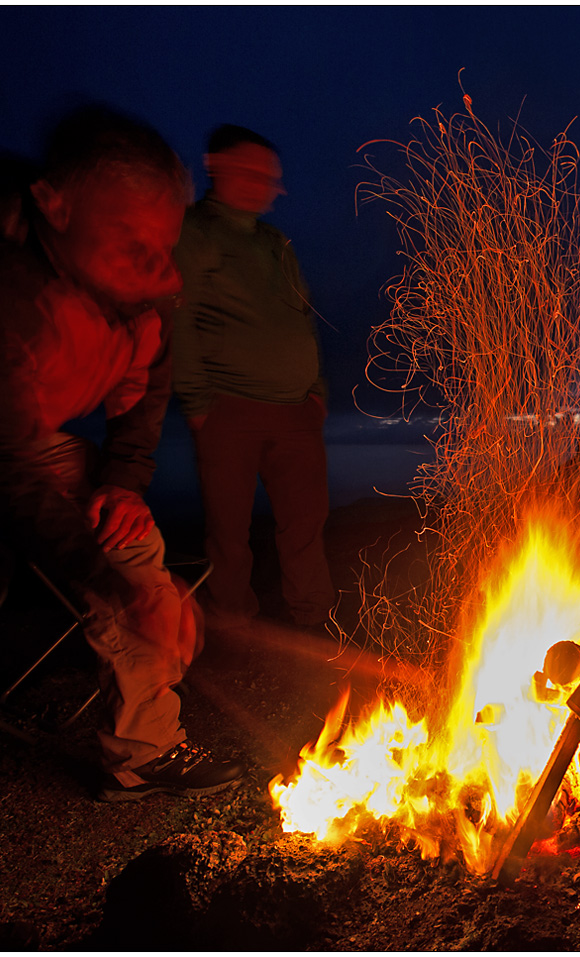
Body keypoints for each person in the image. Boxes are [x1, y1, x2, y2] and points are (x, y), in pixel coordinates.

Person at [0, 105, 246, 801]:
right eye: (129, 237)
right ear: (55, 206)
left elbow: (146, 390)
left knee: (133, 543)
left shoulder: (141, 287)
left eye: (163, 242)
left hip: (22, 445)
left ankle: (142, 750)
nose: (155, 263)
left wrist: (125, 481)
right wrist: (108, 585)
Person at [171, 124, 334, 630]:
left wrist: (316, 392)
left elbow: (301, 315)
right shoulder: (194, 233)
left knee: (305, 522)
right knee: (229, 529)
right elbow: (178, 318)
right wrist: (199, 403)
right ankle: (234, 622)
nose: (269, 186)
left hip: (296, 411)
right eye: (255, 173)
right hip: (230, 407)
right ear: (215, 167)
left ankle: (313, 618)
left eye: (273, 177)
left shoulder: (273, 242)